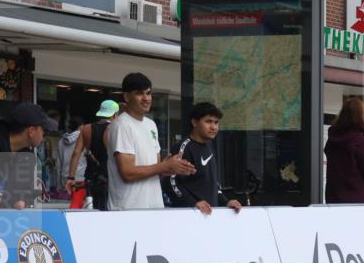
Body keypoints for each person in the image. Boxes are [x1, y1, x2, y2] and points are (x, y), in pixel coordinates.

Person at [106, 73, 194, 211]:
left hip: (153, 207)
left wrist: (173, 167)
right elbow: (127, 173)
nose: (146, 99)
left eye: (148, 93)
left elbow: (155, 169)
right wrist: (164, 166)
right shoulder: (121, 125)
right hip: (128, 209)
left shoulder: (151, 124)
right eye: (139, 94)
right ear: (127, 97)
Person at [0, 102, 59, 209]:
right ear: (31, 131)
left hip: (2, 221)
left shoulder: (26, 158)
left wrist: (22, 199)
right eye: (44, 130)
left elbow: (24, 190)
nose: (44, 135)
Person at [164, 102, 242, 215]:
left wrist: (226, 201)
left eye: (216, 122)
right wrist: (192, 203)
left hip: (209, 216)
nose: (213, 127)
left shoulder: (209, 146)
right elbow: (170, 182)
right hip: (189, 216)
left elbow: (212, 183)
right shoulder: (184, 147)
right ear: (194, 122)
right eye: (208, 121)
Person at [65, 100, 118, 210]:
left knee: (92, 208)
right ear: (115, 114)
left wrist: (71, 177)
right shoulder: (115, 129)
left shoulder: (86, 129)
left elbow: (76, 153)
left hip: (91, 176)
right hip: (110, 178)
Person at [57, 116, 87, 201]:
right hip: (79, 179)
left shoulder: (61, 141)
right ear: (81, 126)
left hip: (64, 179)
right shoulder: (83, 139)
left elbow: (58, 165)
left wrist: (58, 185)